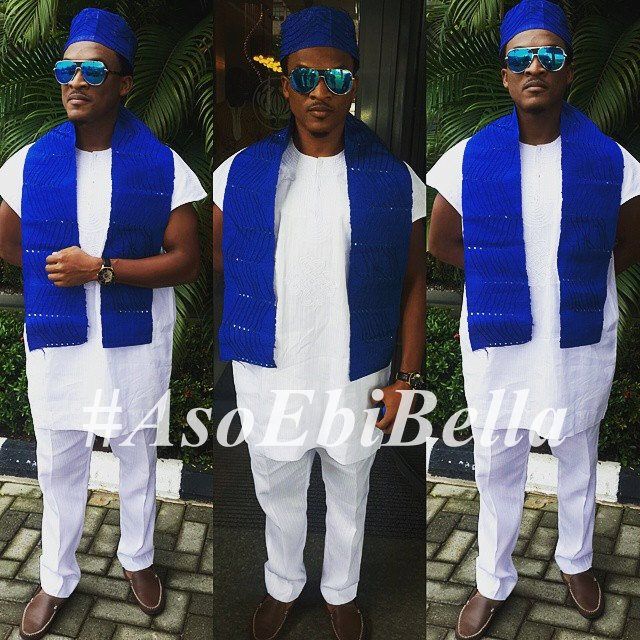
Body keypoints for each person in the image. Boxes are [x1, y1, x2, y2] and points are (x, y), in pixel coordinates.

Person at [427, 1, 640, 638]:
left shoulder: (612, 160)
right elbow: (441, 241)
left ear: (568, 70)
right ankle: (492, 578)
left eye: (549, 55)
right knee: (497, 458)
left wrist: (571, 278)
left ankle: (576, 560)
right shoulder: (469, 157)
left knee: (577, 450)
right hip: (502, 341)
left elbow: (629, 241)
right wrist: (509, 274)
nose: (535, 68)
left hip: (576, 336)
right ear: (506, 75)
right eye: (521, 57)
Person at [213, 6, 426, 639]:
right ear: (286, 85)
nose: (320, 93)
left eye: (336, 78)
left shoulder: (398, 181)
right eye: (306, 77)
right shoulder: (237, 175)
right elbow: (227, 262)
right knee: (275, 487)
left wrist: (406, 378)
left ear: (354, 85)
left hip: (354, 372)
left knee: (350, 489)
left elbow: (414, 282)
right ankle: (283, 584)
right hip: (272, 369)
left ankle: (340, 592)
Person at [0, 8, 206, 640]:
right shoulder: (30, 162)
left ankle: (137, 557)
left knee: (135, 453)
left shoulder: (162, 165)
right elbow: (7, 241)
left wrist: (101, 271)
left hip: (132, 345)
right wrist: (52, 270)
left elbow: (187, 259)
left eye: (93, 71)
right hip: (60, 344)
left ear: (124, 84)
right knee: (59, 459)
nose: (76, 81)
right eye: (68, 69)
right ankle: (56, 576)